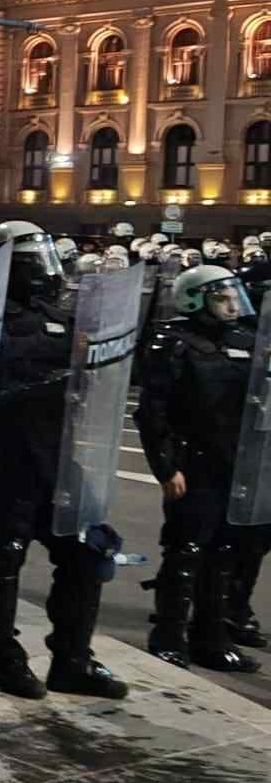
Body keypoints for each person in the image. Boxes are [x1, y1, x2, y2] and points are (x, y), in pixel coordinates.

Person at [0, 222, 130, 700]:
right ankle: (4, 657)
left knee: (86, 553)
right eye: (31, 261)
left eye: (46, 258)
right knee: (4, 562)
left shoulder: (58, 315)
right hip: (7, 458)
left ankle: (72, 659)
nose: (44, 270)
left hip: (59, 455)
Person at [134, 265, 266, 673]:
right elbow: (153, 412)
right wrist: (166, 467)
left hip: (234, 461)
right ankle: (169, 637)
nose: (231, 304)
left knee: (224, 552)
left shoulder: (245, 340)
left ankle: (212, 638)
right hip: (194, 462)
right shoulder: (173, 343)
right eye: (221, 297)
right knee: (186, 549)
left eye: (233, 296)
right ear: (196, 299)